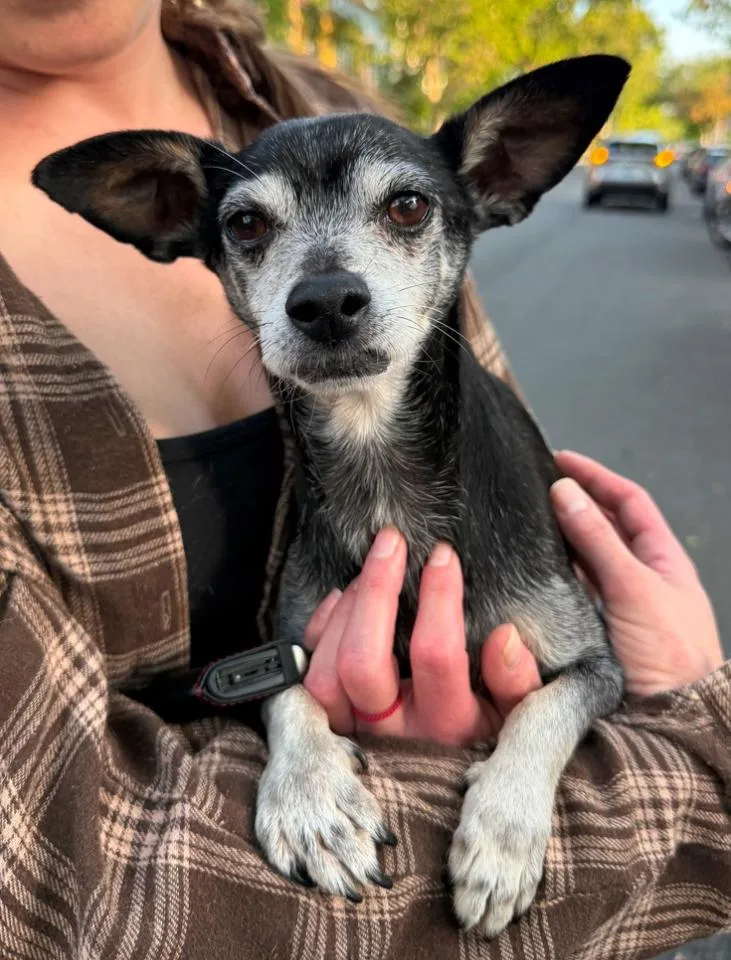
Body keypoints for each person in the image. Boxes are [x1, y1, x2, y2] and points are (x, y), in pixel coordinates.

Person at [0, 1, 727, 958]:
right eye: (255, 230)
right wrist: (699, 759)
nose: (328, 286)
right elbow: (66, 876)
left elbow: (570, 620)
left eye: (402, 211)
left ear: (492, 183)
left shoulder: (312, 93)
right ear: (179, 224)